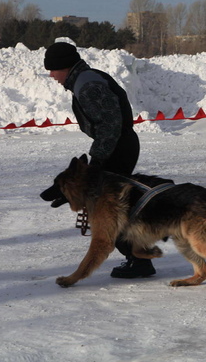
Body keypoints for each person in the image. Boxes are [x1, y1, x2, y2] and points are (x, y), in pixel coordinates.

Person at [39, 41, 155, 279]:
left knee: (109, 209)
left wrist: (99, 160)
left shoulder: (88, 84)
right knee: (115, 206)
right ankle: (140, 255)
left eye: (53, 69)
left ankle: (139, 260)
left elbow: (110, 124)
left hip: (117, 148)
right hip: (116, 146)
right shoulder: (85, 79)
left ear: (64, 67)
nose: (51, 75)